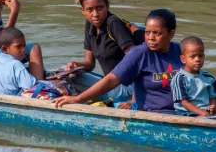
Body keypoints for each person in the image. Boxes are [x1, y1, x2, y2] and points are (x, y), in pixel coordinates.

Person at [53, 8, 184, 114]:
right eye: (147, 32)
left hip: (183, 112)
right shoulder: (139, 54)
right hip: (152, 114)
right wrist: (78, 99)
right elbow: (111, 80)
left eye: (157, 33)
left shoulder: (181, 52)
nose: (150, 38)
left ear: (171, 34)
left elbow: (196, 79)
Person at [65, 0, 135, 107]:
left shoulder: (113, 24)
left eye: (100, 8)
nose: (95, 14)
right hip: (110, 84)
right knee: (65, 72)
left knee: (70, 80)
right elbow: (90, 64)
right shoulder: (90, 24)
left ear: (107, 6)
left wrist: (134, 101)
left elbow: (136, 60)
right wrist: (76, 65)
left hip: (126, 90)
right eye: (90, 10)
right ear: (83, 11)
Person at [171, 36, 216, 116]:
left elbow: (212, 96)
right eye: (192, 56)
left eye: (200, 56)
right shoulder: (179, 79)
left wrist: (213, 105)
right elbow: (184, 102)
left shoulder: (208, 77)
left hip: (207, 113)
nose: (197, 59)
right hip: (187, 114)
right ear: (183, 59)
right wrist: (202, 113)